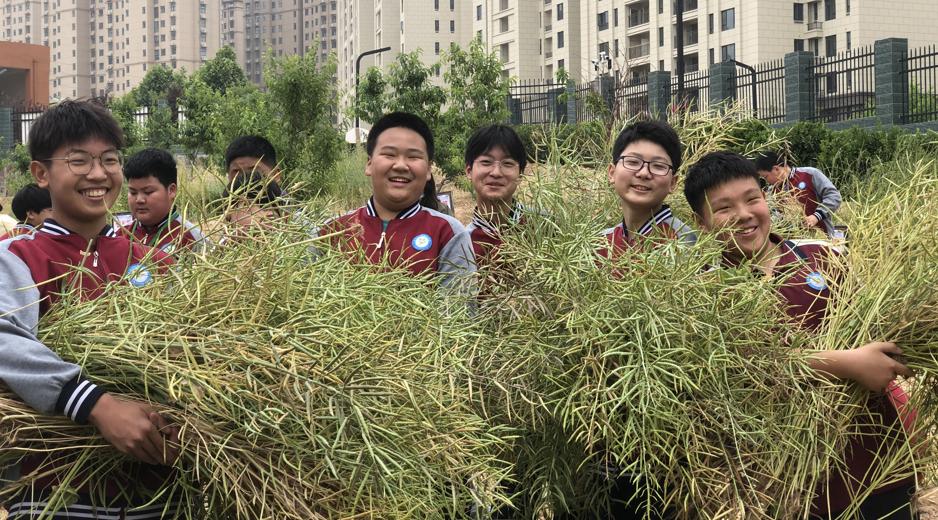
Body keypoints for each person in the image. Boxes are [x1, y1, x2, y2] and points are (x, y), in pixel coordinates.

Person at [684, 151, 917, 520]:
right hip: (791, 484)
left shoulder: (822, 256)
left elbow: (881, 333)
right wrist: (846, 363)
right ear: (701, 222)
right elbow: (742, 373)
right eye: (724, 208)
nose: (745, 215)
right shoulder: (706, 294)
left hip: (877, 464)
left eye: (752, 199)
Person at [0, 100, 182, 518]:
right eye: (79, 160)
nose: (98, 174)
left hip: (159, 496)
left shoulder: (155, 261)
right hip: (56, 495)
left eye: (110, 160)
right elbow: (4, 338)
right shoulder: (19, 258)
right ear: (41, 174)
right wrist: (95, 404)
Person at [316, 112, 475, 291]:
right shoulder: (331, 231)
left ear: (429, 169)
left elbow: (459, 312)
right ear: (369, 164)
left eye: (413, 156)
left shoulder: (448, 234)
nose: (400, 165)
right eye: (389, 154)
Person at [600, 120, 696, 259]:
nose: (644, 173)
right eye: (633, 162)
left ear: (673, 183)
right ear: (612, 173)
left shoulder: (683, 241)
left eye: (658, 166)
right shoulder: (601, 243)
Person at [464, 124, 529, 266]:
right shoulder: (461, 244)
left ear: (521, 174)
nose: (496, 173)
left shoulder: (547, 227)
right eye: (486, 162)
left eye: (507, 163)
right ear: (469, 171)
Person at [123, 147, 206, 255]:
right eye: (133, 193)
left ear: (171, 190)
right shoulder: (121, 236)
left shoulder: (192, 239)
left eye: (148, 192)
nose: (139, 200)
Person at [754, 151, 842, 236]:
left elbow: (834, 196)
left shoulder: (809, 174)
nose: (766, 181)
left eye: (766, 177)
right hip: (796, 243)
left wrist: (816, 216)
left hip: (823, 239)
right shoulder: (772, 192)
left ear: (776, 169)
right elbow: (775, 216)